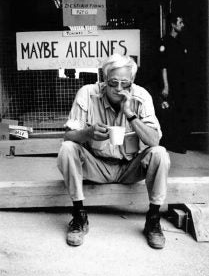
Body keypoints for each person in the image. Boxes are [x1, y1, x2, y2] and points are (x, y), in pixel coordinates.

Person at [57, 54, 170, 249]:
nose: (118, 89)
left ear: (132, 82)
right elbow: (68, 137)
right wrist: (88, 133)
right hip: (96, 166)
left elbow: (154, 140)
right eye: (113, 83)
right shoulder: (87, 93)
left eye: (125, 84)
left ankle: (153, 219)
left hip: (129, 167)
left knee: (159, 153)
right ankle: (79, 216)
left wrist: (130, 114)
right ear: (103, 79)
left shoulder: (141, 96)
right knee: (67, 149)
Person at [159, 13, 190, 153]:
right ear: (172, 24)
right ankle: (173, 143)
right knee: (173, 113)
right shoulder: (165, 42)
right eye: (180, 22)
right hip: (171, 84)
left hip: (182, 83)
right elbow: (163, 66)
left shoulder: (181, 41)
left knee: (182, 111)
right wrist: (166, 86)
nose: (182, 25)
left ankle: (181, 141)